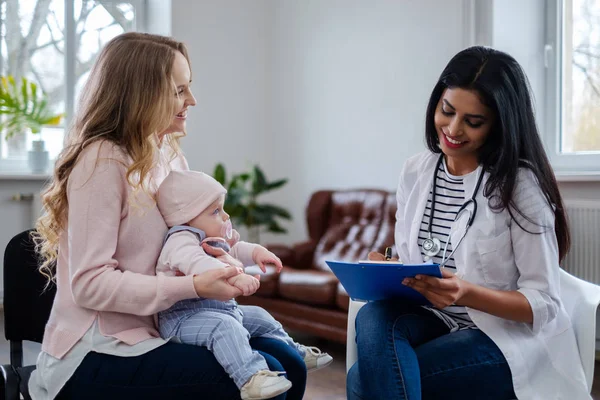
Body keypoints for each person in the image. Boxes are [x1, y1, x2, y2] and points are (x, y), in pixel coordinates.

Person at [29, 32, 307, 400]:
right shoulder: (102, 161)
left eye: (188, 87)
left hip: (160, 328)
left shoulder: (168, 157)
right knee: (267, 376)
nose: (192, 100)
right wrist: (192, 286)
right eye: (178, 91)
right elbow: (90, 284)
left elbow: (189, 237)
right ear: (141, 94)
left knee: (290, 361)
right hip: (99, 349)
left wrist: (227, 258)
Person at [346, 46, 590, 400]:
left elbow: (544, 304)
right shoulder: (416, 172)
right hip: (435, 320)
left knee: (363, 381)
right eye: (447, 111)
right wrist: (391, 268)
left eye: (473, 122)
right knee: (372, 317)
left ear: (499, 124)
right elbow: (423, 258)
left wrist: (467, 292)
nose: (454, 129)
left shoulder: (520, 187)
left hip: (501, 336)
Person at [154, 170, 333, 400]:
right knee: (224, 328)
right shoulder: (180, 240)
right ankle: (250, 377)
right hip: (182, 319)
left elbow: (236, 249)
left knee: (260, 315)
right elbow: (198, 264)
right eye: (216, 211)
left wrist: (258, 252)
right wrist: (234, 277)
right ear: (187, 217)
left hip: (220, 311)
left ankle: (294, 349)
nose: (226, 216)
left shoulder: (212, 238)